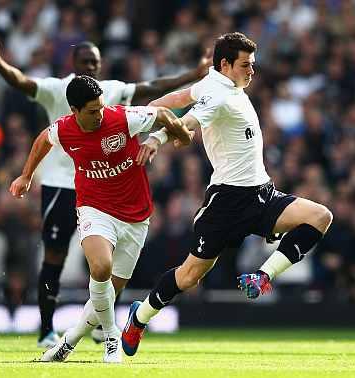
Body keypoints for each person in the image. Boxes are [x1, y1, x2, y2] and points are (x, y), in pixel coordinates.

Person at [0, 34, 210, 348]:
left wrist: (194, 75)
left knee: (112, 261)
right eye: (85, 62)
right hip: (62, 183)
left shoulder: (109, 91)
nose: (91, 66)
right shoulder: (58, 88)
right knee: (55, 255)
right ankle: (46, 328)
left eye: (95, 62)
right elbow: (21, 83)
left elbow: (153, 88)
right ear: (74, 64)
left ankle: (102, 323)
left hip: (105, 186)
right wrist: (0, 63)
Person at [121, 32, 333, 357]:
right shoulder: (218, 96)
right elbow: (189, 119)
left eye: (253, 64)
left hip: (261, 193)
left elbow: (181, 98)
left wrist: (150, 109)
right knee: (189, 276)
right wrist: (157, 137)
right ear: (225, 64)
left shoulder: (218, 83)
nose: (252, 71)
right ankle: (140, 316)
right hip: (226, 203)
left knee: (320, 216)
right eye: (246, 65)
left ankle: (263, 276)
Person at [9, 75, 192, 363]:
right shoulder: (65, 130)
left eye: (101, 108)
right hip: (94, 207)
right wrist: (26, 175)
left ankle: (68, 341)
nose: (100, 114)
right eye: (93, 111)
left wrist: (180, 134)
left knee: (106, 294)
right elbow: (44, 139)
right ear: (74, 111)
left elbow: (163, 113)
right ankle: (111, 337)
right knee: (101, 266)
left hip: (135, 215)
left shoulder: (122, 118)